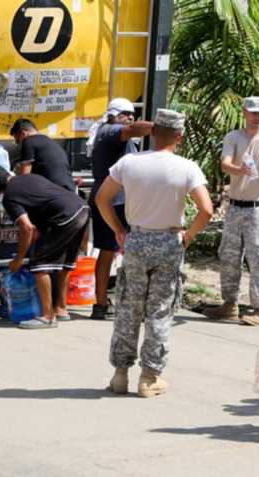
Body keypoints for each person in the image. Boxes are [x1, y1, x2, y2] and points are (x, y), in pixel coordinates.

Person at [96, 108, 213, 397]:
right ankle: (149, 378)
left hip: (136, 239)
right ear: (179, 136)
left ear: (152, 131)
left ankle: (120, 374)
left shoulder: (129, 162)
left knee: (128, 307)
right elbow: (206, 210)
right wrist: (187, 237)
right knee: (159, 311)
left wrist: (118, 229)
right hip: (169, 242)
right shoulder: (187, 167)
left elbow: (102, 198)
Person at [204, 96, 259, 326]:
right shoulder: (234, 137)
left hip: (258, 207)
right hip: (235, 205)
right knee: (229, 255)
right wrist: (238, 169)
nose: (256, 117)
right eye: (253, 113)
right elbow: (225, 163)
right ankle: (229, 304)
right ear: (244, 113)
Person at [0, 167, 90, 329]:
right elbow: (43, 205)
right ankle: (61, 309)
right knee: (65, 264)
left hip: (65, 215)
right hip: (81, 207)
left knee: (39, 265)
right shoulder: (29, 177)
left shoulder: (10, 196)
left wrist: (19, 259)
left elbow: (26, 228)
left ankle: (48, 317)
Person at [88, 98, 154, 320]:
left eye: (132, 113)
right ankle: (101, 304)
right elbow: (133, 129)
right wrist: (162, 128)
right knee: (109, 253)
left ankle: (105, 302)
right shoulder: (110, 130)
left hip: (119, 201)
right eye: (125, 113)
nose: (130, 117)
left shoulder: (112, 133)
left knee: (115, 253)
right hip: (111, 202)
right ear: (112, 115)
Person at [9, 119, 74, 192]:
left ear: (23, 133)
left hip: (53, 193)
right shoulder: (50, 142)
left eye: (18, 141)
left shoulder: (28, 141)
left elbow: (24, 177)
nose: (19, 144)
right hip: (69, 191)